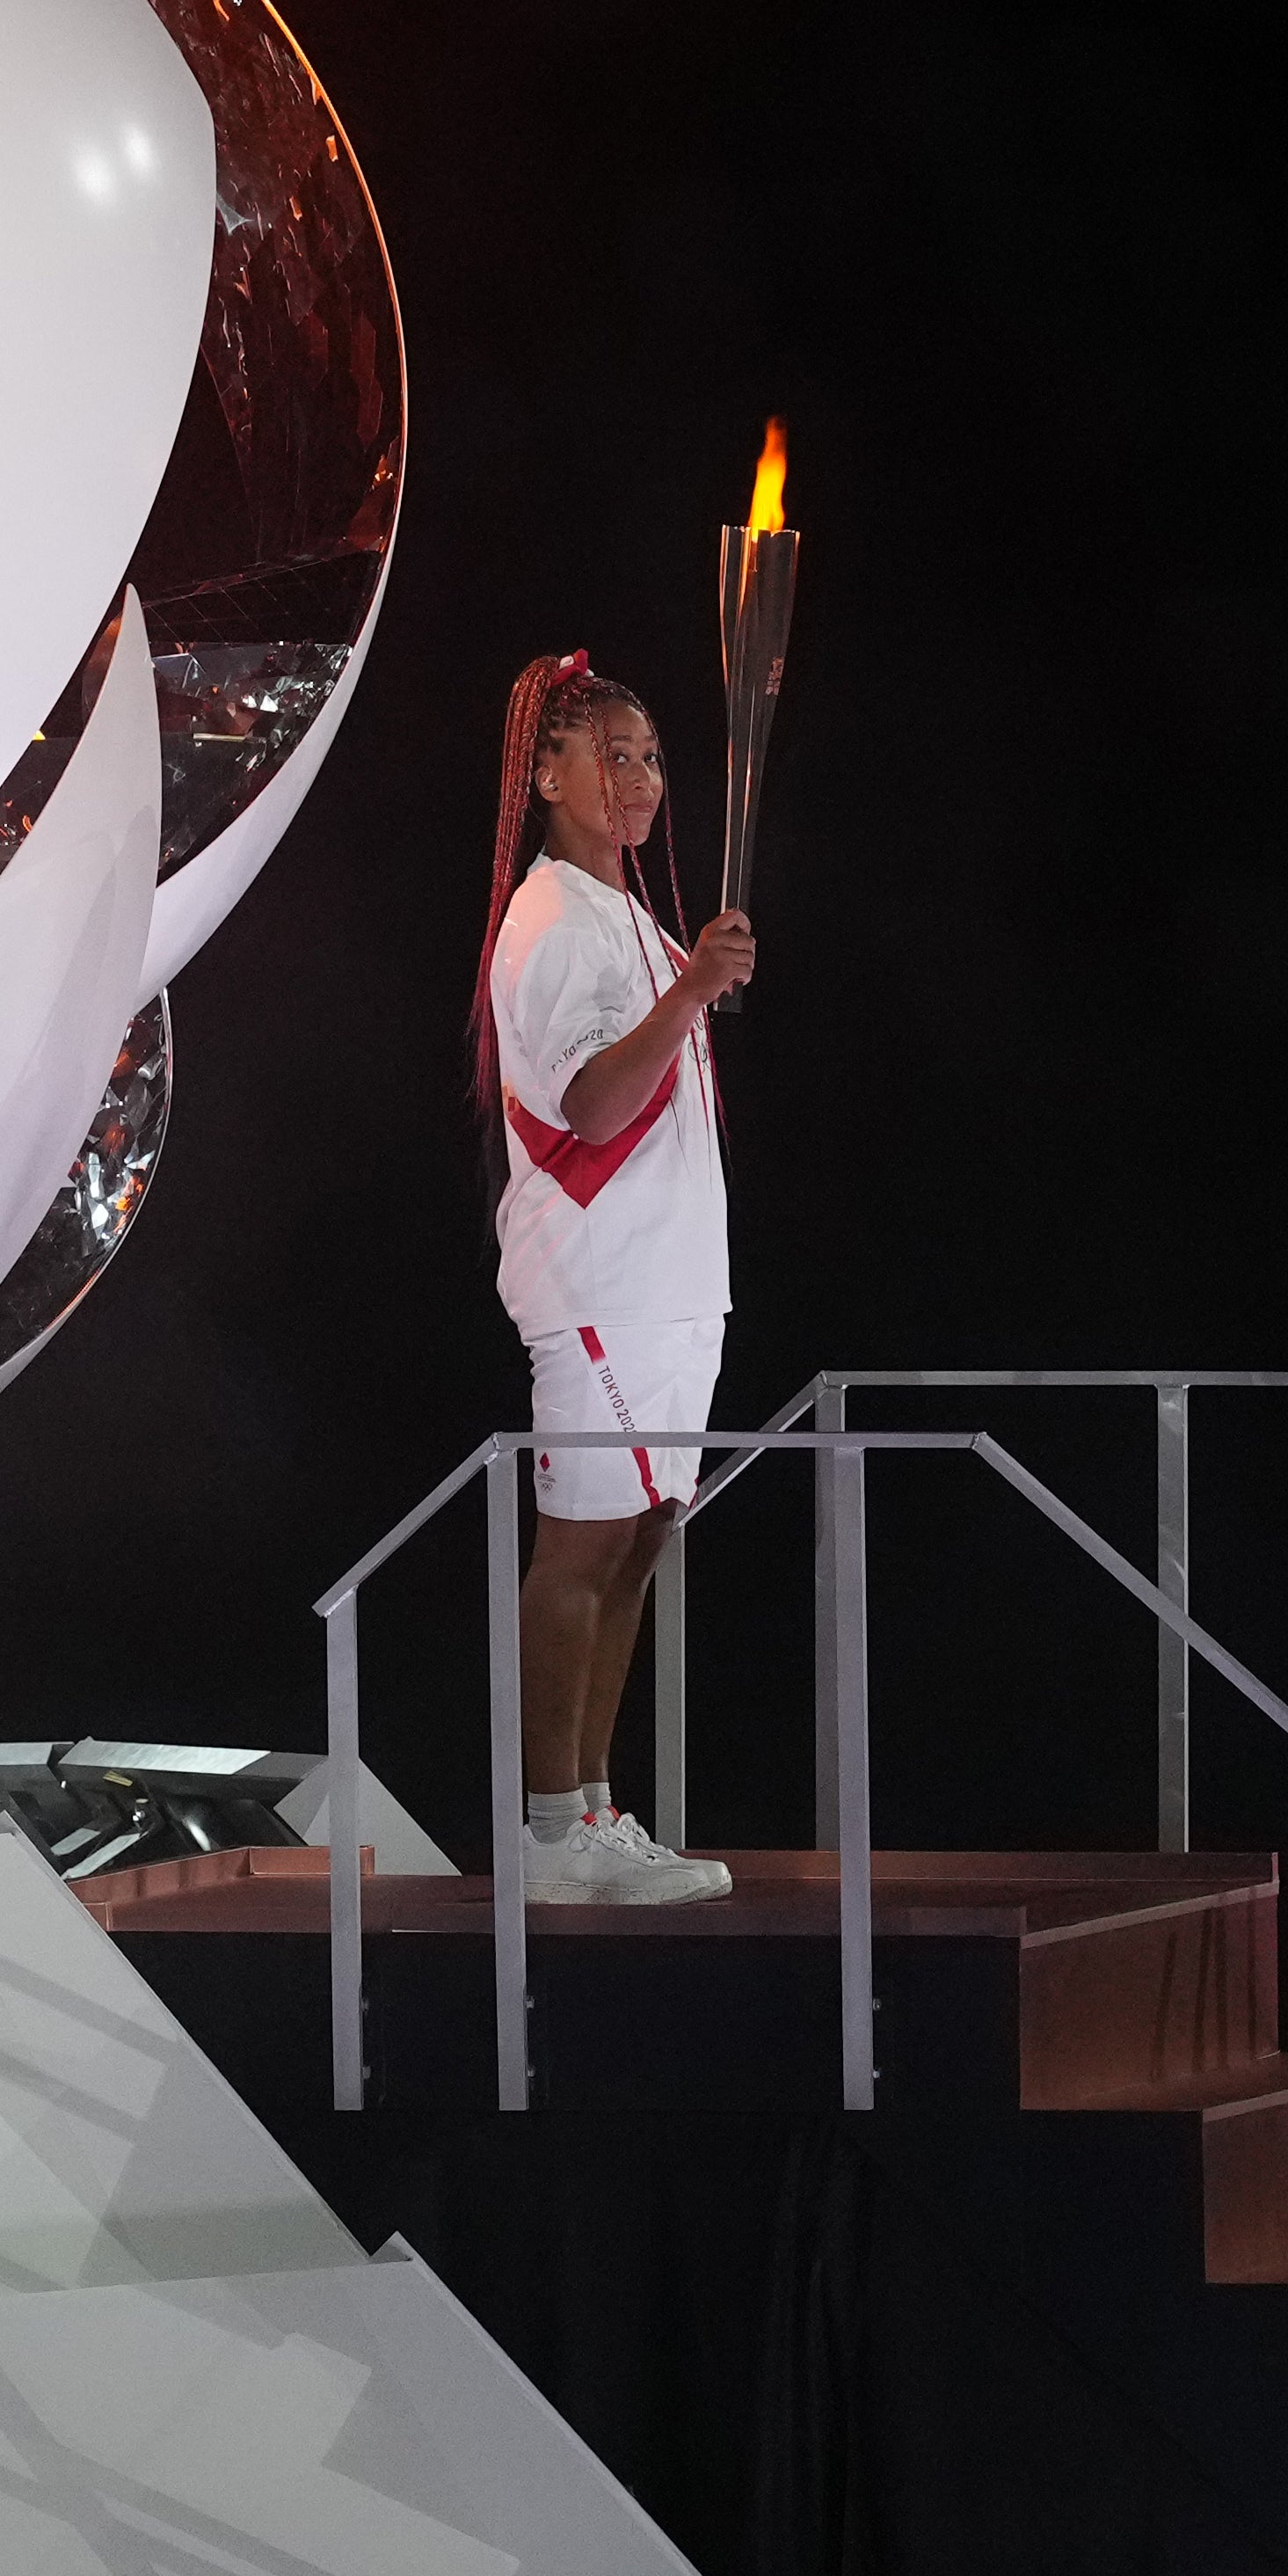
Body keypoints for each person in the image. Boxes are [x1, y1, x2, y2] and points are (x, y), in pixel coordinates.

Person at [478, 649, 755, 1904]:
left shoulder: (622, 915)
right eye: (614, 754)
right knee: (579, 1552)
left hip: (671, 1287)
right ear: (547, 774)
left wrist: (685, 979)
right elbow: (590, 1109)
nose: (642, 778)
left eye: (650, 757)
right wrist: (693, 989)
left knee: (638, 1545)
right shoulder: (546, 922)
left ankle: (590, 1811)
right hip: (601, 1291)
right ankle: (545, 1831)